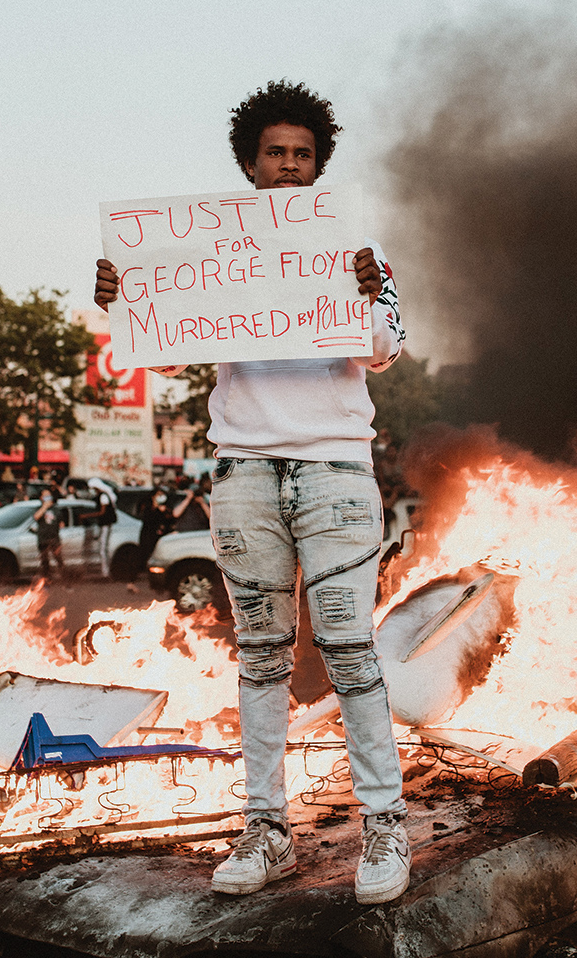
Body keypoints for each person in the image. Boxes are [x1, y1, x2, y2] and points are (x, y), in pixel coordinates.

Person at [93, 81, 411, 904]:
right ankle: (267, 831)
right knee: (262, 655)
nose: (290, 166)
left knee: (348, 649)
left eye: (304, 155)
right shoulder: (208, 253)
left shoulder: (357, 247)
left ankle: (386, 826)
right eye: (277, 153)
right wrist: (127, 301)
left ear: (319, 169)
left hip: (336, 469)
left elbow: (386, 350)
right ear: (249, 162)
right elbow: (164, 353)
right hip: (243, 469)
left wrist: (369, 291)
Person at [84, 479, 118, 576]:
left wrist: (87, 516)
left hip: (105, 525)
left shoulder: (103, 497)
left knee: (103, 549)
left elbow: (102, 512)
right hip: (103, 525)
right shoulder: (101, 496)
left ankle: (106, 572)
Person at [32, 487, 64, 581]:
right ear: (41, 498)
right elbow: (36, 517)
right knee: (45, 561)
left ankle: (65, 581)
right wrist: (44, 507)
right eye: (45, 496)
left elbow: (61, 523)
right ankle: (46, 581)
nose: (47, 497)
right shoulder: (39, 509)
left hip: (54, 539)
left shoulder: (56, 509)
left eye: (48, 495)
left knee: (59, 560)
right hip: (43, 539)